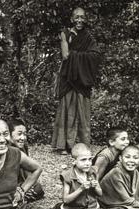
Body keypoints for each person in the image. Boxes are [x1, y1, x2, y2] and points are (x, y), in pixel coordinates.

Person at [52, 7, 101, 155]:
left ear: (85, 19)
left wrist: (77, 55)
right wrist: (69, 40)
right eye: (77, 17)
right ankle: (63, 145)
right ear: (72, 19)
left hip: (82, 80)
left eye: (82, 17)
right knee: (67, 109)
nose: (79, 20)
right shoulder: (65, 33)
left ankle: (82, 146)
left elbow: (95, 55)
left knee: (82, 111)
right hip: (68, 78)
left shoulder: (88, 37)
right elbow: (65, 55)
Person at [51, 143, 122, 209]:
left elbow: (100, 194)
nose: (88, 163)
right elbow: (65, 200)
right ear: (74, 161)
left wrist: (96, 186)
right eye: (83, 160)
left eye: (90, 159)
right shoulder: (68, 176)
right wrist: (81, 189)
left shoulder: (92, 172)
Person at [99, 145, 139, 209]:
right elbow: (126, 200)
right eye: (127, 157)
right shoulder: (116, 173)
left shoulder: (137, 173)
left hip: (128, 204)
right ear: (120, 158)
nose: (131, 160)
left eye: (135, 158)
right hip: (110, 206)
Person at [8, 118, 44, 202]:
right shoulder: (5, 150)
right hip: (7, 185)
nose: (23, 138)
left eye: (24, 134)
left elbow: (29, 171)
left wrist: (26, 186)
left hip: (19, 183)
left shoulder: (23, 148)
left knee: (37, 188)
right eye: (19, 134)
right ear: (9, 135)